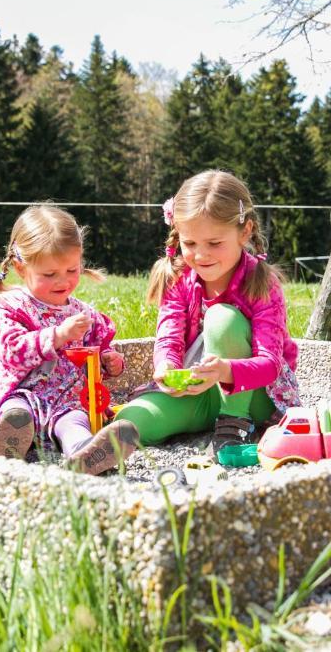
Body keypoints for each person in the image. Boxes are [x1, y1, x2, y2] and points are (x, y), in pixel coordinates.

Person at [113, 170, 301, 453]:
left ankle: (234, 421)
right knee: (130, 420)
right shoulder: (179, 279)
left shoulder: (260, 283)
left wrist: (225, 371)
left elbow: (270, 364)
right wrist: (166, 369)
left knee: (221, 317)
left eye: (214, 243)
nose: (201, 255)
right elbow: (169, 338)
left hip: (255, 397)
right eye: (190, 244)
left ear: (245, 231)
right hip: (200, 393)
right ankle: (98, 454)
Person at [0, 204, 138, 475]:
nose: (62, 281)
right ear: (21, 268)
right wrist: (58, 335)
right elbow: (12, 351)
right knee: (16, 412)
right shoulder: (9, 307)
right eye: (49, 274)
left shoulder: (82, 312)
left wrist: (109, 362)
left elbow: (96, 351)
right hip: (22, 392)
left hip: (67, 399)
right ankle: (10, 444)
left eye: (72, 270)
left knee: (75, 420)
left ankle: (84, 452)